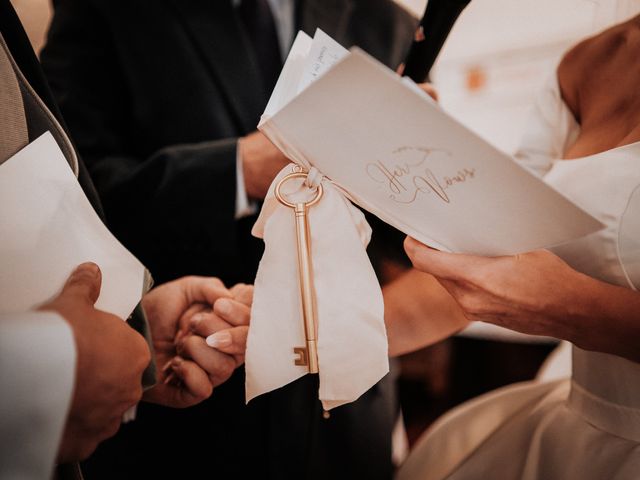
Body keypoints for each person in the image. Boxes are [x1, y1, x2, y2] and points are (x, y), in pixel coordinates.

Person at [40, 1, 418, 478]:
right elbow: (72, 186)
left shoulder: (386, 20)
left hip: (345, 411)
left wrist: (419, 166)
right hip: (183, 398)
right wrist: (237, 169)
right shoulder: (103, 10)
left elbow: (397, 243)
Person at [0, 2, 249, 477]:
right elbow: (94, 175)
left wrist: (133, 325)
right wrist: (44, 366)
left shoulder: (385, 20)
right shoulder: (100, 10)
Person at [396, 15, 640, 479]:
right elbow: (491, 252)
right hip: (577, 441)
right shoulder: (593, 58)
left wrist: (572, 308)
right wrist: (305, 331)